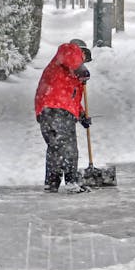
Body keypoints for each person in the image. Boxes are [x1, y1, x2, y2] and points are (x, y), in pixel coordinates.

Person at [34, 39, 92, 193]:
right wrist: (80, 67)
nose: (84, 60)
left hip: (47, 110)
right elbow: (68, 51)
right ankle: (71, 183)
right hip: (57, 110)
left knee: (55, 148)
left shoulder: (66, 75)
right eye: (83, 56)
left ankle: (51, 183)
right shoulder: (67, 53)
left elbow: (71, 100)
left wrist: (81, 116)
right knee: (68, 147)